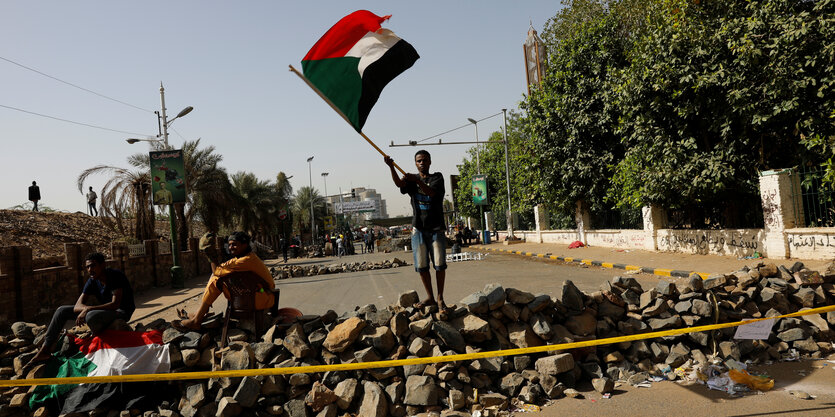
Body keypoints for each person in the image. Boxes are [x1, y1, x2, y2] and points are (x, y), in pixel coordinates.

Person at [26, 252, 135, 366]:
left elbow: (115, 304)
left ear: (103, 265)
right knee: (61, 310)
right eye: (87, 267)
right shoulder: (93, 280)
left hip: (122, 312)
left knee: (91, 316)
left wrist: (88, 309)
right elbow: (78, 305)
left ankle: (98, 342)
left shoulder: (115, 276)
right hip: (105, 312)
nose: (89, 269)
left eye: (93, 265)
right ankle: (45, 350)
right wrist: (85, 309)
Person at [385, 150, 449, 312]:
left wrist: (417, 181)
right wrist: (391, 167)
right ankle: (431, 297)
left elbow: (431, 192)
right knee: (422, 266)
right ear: (415, 163)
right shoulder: (412, 180)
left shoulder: (437, 178)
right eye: (419, 161)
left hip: (436, 228)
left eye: (425, 160)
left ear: (430, 162)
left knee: (440, 265)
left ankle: (440, 297)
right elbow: (400, 184)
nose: (422, 163)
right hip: (418, 229)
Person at [174, 231, 275, 331]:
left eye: (234, 245)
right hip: (257, 296)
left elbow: (216, 271)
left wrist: (209, 255)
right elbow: (221, 268)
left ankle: (197, 319)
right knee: (216, 278)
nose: (231, 248)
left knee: (216, 280)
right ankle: (198, 314)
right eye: (230, 245)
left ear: (244, 244)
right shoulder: (240, 259)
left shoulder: (246, 260)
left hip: (261, 296)